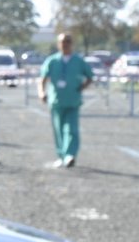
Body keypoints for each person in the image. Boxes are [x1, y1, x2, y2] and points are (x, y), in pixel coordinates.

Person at [38, 33, 96, 167]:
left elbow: (90, 76)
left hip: (72, 101)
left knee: (72, 129)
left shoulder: (78, 61)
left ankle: (70, 155)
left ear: (72, 44)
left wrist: (82, 87)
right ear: (58, 44)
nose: (65, 44)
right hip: (57, 101)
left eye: (68, 42)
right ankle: (61, 155)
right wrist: (42, 92)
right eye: (63, 42)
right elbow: (43, 79)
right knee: (58, 129)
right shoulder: (52, 61)